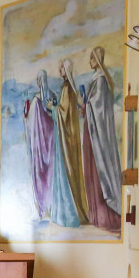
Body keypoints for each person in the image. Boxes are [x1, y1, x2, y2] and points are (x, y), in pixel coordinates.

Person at [81, 46, 123, 232]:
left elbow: (99, 106)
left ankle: (105, 217)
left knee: (98, 171)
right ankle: (96, 216)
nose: (89, 62)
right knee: (92, 172)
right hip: (92, 131)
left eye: (91, 58)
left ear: (96, 60)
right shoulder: (97, 80)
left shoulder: (100, 81)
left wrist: (87, 105)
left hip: (97, 136)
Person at [53, 59, 90, 228]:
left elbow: (63, 112)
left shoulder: (67, 88)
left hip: (67, 138)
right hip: (71, 136)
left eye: (62, 67)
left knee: (67, 169)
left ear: (67, 70)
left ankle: (70, 213)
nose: (59, 69)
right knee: (72, 170)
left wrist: (52, 108)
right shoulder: (70, 88)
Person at [23, 70, 58, 223]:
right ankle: (47, 208)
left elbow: (31, 123)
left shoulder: (37, 101)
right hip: (49, 145)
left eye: (39, 79)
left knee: (43, 175)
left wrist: (25, 118)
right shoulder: (51, 97)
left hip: (42, 146)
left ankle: (45, 208)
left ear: (40, 81)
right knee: (49, 176)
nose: (38, 82)